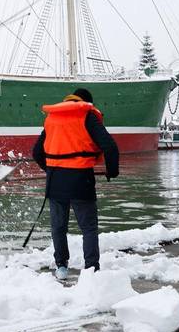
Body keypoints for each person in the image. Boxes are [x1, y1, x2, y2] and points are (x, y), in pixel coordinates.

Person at [32, 88, 120, 279]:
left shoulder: (53, 118)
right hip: (81, 180)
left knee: (58, 227)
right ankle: (91, 269)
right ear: (87, 102)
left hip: (55, 181)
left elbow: (36, 152)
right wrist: (112, 171)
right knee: (88, 228)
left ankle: (61, 266)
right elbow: (110, 146)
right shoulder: (87, 115)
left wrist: (52, 169)